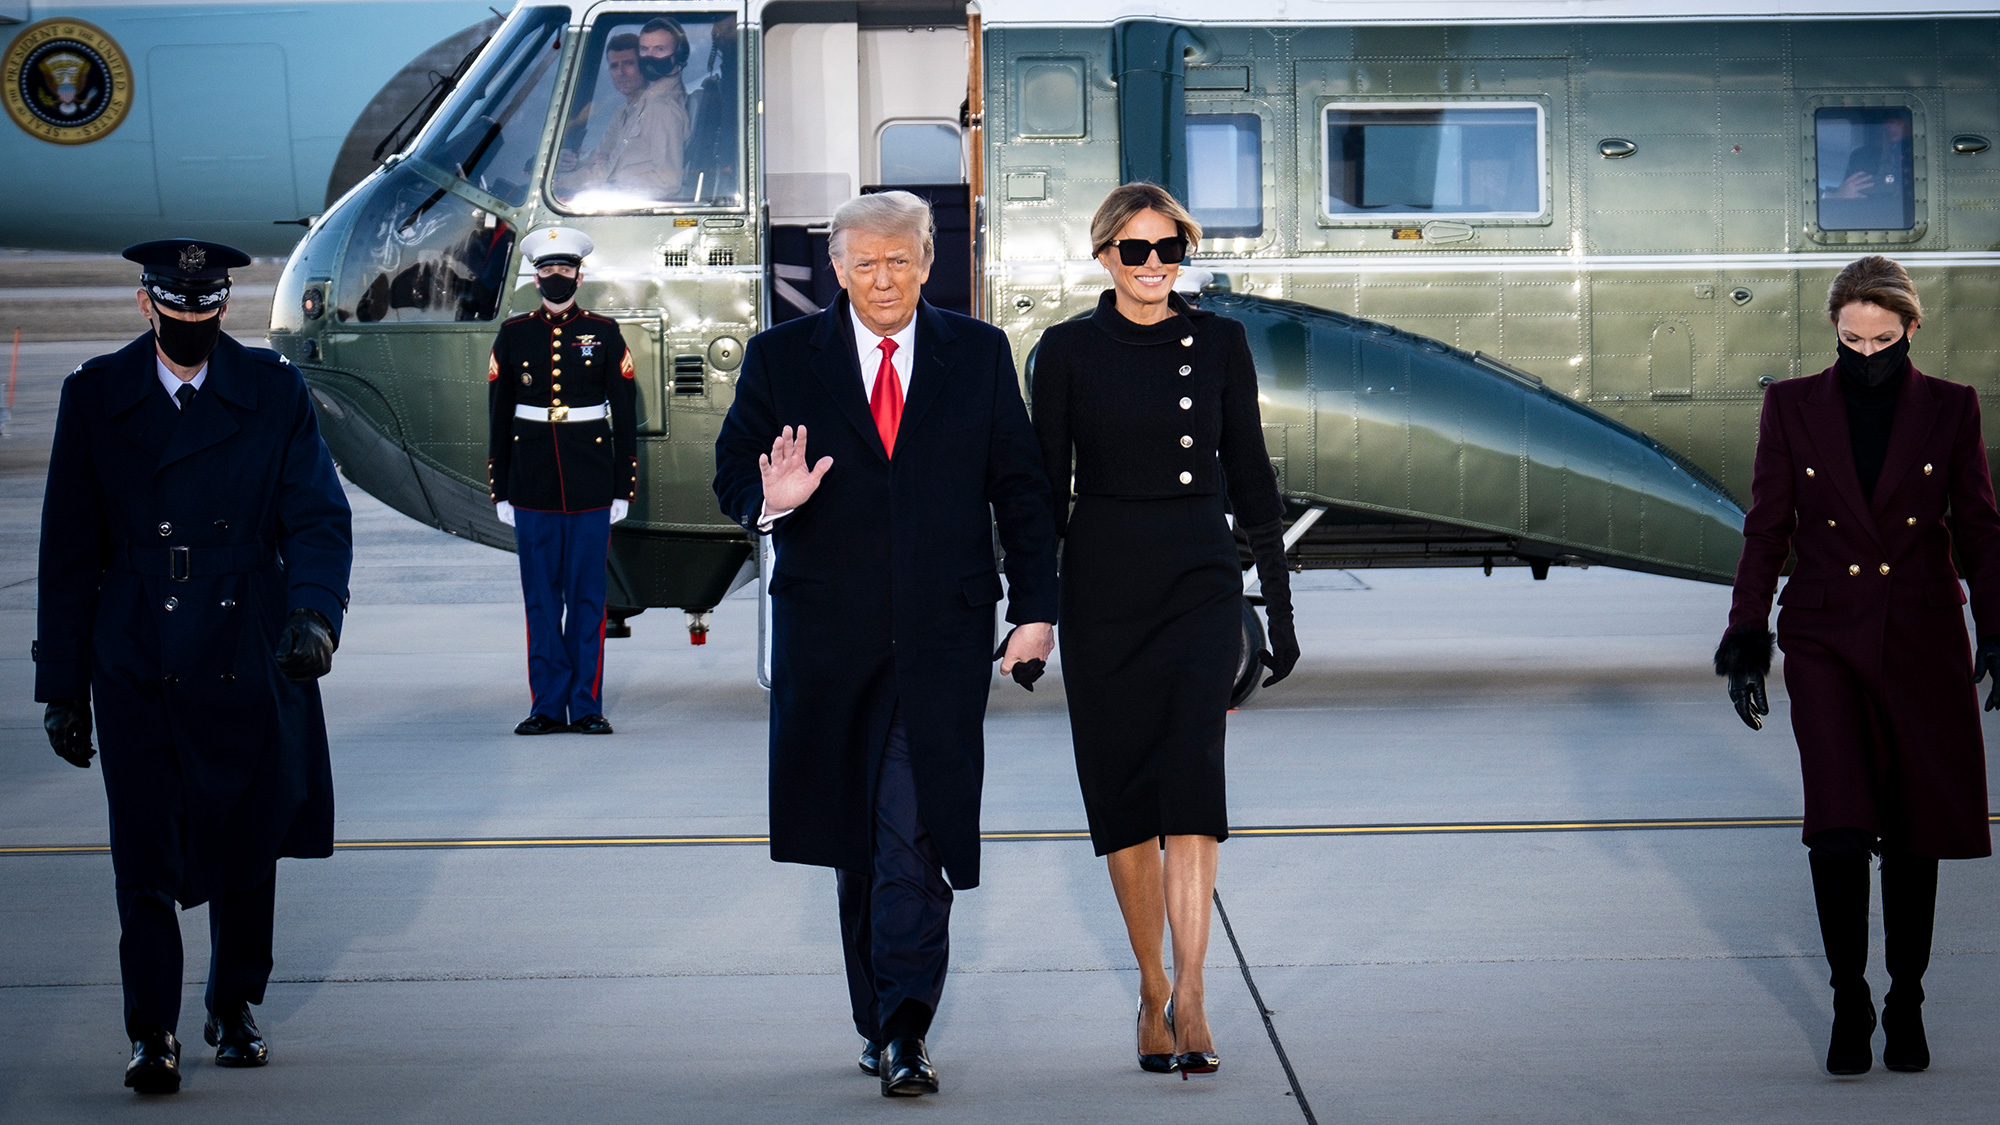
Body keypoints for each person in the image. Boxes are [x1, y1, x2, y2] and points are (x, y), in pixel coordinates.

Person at [712, 191, 1058, 1097]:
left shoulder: (976, 354)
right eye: (864, 262)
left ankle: (906, 1025)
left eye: (899, 259)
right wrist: (772, 502)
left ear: (929, 261)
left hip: (942, 636)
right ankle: (878, 1017)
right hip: (830, 641)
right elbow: (730, 475)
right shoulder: (782, 359)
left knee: (913, 825)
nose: (883, 278)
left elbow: (1020, 489)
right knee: (856, 839)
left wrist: (1037, 607)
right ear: (836, 269)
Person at [35, 239, 353, 1094]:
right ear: (147, 307)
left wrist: (314, 615)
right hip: (135, 646)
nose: (189, 326)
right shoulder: (95, 396)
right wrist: (62, 684)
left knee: (250, 840)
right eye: (175, 312)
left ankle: (235, 1003)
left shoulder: (274, 390)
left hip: (245, 640)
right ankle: (151, 1032)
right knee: (142, 850)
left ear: (223, 309)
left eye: (203, 312)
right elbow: (67, 551)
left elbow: (318, 517)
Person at [1030, 183, 1298, 1077]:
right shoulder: (1065, 351)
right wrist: (1031, 608)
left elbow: (1252, 473)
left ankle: (1194, 993)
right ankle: (1150, 984)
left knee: (1191, 791)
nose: (1154, 266)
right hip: (1105, 584)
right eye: (1136, 250)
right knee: (1125, 803)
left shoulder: (1220, 343)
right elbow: (1040, 495)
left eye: (1169, 248)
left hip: (1197, 581)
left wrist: (1280, 603)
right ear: (1104, 254)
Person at [1714, 254, 1999, 1076]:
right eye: (1851, 340)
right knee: (1838, 830)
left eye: (1883, 340)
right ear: (1834, 330)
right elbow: (1767, 528)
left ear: (1912, 330)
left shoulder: (1951, 408)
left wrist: (1999, 626)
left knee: (1915, 834)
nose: (1867, 355)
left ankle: (1906, 999)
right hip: (1825, 637)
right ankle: (1848, 997)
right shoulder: (1792, 406)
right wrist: (1745, 636)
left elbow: (1978, 528)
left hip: (1921, 636)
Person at [487, 227, 637, 736]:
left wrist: (623, 488)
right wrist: (501, 489)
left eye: (565, 269)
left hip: (591, 483)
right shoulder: (514, 333)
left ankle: (587, 706)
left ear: (579, 274)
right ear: (535, 276)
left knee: (588, 600)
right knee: (541, 601)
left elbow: (625, 413)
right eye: (548, 270)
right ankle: (547, 707)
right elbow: (498, 416)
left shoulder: (605, 330)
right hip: (532, 485)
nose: (557, 277)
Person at [566, 17, 691, 202]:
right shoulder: (628, 110)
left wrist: (611, 188)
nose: (621, 73)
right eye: (614, 66)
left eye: (629, 63)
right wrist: (571, 168)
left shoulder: (661, 108)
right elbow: (602, 163)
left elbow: (667, 182)